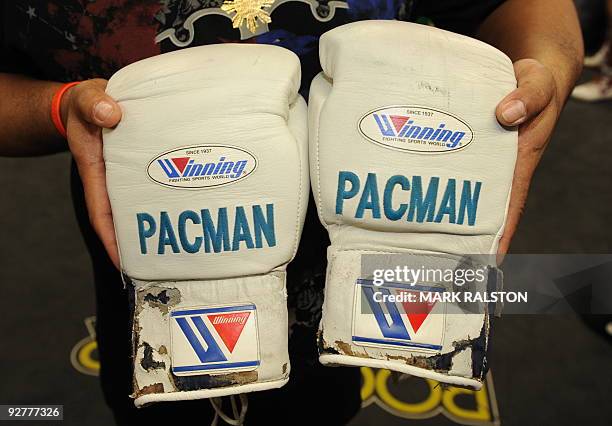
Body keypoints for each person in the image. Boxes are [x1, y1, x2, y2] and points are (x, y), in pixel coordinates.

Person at [0, 1, 583, 424]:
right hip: (157, 251)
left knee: (318, 410)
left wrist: (546, 68)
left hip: (366, 257)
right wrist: (57, 107)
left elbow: (527, 7)